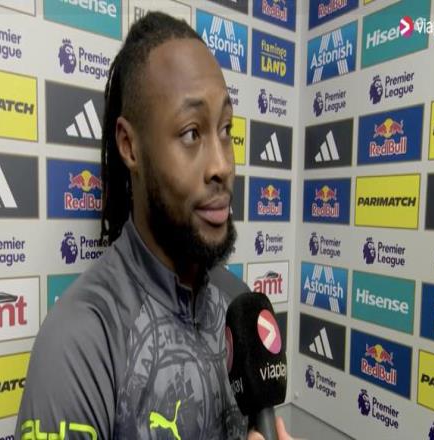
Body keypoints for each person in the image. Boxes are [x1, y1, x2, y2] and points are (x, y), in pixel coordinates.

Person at [15, 12, 293, 440]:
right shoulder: (80, 342)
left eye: (225, 129)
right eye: (191, 133)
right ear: (129, 146)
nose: (222, 165)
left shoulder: (238, 308)